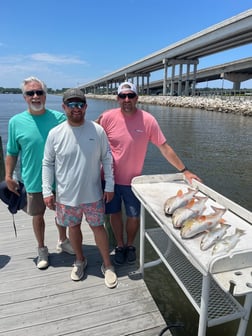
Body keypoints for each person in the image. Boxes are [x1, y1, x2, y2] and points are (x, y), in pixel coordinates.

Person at [97, 81, 202, 265]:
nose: (127, 99)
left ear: (137, 98)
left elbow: (164, 147)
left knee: (133, 216)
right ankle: (120, 245)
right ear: (117, 98)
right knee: (113, 214)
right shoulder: (106, 117)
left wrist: (184, 170)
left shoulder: (148, 120)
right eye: (123, 96)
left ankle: (130, 245)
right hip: (109, 179)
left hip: (133, 181)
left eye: (130, 96)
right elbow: (91, 137)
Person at [42, 88, 118, 288]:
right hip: (66, 195)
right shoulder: (55, 134)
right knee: (73, 227)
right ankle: (79, 260)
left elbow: (107, 159)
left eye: (80, 105)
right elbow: (47, 163)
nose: (76, 109)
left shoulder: (97, 130)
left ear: (85, 107)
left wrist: (109, 185)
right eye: (71, 105)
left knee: (98, 228)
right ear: (64, 107)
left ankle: (107, 265)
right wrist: (46, 191)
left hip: (93, 193)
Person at [5, 76, 74, 270]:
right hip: (33, 179)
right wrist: (8, 176)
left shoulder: (59, 118)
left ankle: (63, 240)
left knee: (62, 212)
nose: (35, 96)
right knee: (38, 215)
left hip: (60, 178)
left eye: (39, 92)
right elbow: (12, 152)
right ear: (24, 97)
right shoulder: (15, 122)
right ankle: (41, 248)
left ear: (45, 94)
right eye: (30, 93)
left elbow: (78, 128)